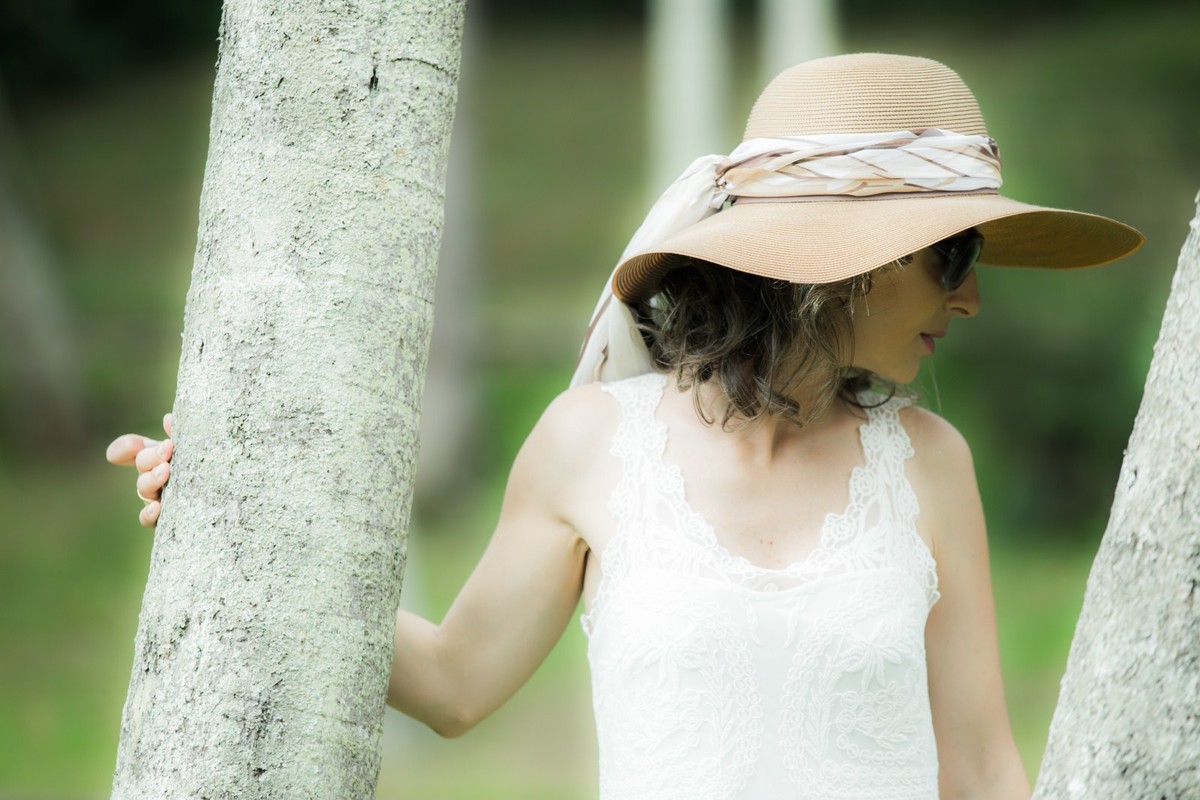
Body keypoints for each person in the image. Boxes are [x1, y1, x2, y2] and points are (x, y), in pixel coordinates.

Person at [107, 53, 1143, 799]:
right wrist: (240, 523)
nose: (969, 301)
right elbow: (453, 682)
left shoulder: (931, 465)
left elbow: (982, 770)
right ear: (854, 256)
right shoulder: (587, 442)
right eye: (953, 257)